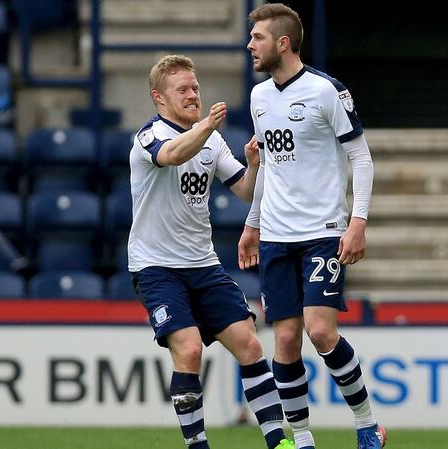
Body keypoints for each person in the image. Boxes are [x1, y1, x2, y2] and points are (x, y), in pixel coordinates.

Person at [238, 5, 385, 449]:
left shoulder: (327, 91)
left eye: (258, 37)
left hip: (322, 231)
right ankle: (301, 440)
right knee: (284, 339)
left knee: (320, 331)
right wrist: (252, 224)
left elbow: (361, 157)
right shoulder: (259, 97)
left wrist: (357, 220)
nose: (250, 46)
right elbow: (268, 168)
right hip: (277, 236)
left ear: (283, 43)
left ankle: (367, 424)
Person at [128, 54, 294, 449]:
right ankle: (198, 445)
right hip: (157, 267)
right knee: (187, 350)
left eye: (195, 88)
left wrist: (253, 165)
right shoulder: (149, 137)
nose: (191, 95)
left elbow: (243, 190)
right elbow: (171, 156)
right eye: (181, 90)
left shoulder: (211, 140)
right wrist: (204, 127)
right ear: (159, 98)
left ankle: (279, 442)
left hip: (203, 265)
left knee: (250, 344)